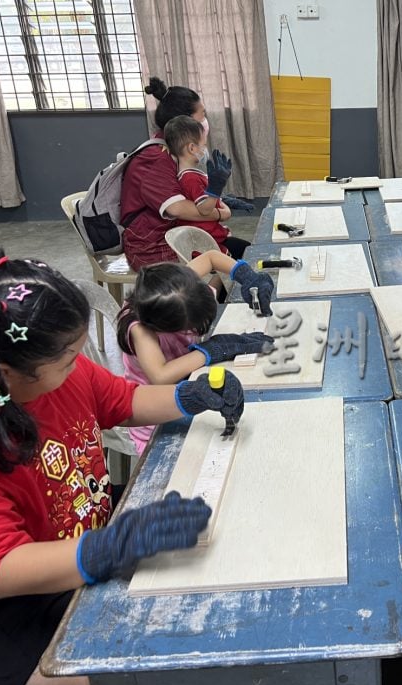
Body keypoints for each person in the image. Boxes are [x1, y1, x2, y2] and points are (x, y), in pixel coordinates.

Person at [0, 250, 247, 685]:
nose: (78, 365)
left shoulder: (50, 372)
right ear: (4, 375)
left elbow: (123, 401)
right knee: (96, 675)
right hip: (8, 599)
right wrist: (106, 550)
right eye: (67, 360)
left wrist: (189, 398)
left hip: (82, 527)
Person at [118, 250, 273, 454]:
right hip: (160, 416)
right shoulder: (140, 329)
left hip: (192, 383)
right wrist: (214, 349)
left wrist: (245, 275)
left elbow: (210, 257)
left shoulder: (177, 288)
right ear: (165, 327)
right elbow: (161, 376)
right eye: (191, 328)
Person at [120, 77, 253, 271]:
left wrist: (220, 200)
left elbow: (188, 193)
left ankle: (223, 292)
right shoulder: (156, 158)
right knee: (230, 261)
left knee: (244, 251)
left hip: (176, 231)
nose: (205, 121)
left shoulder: (171, 148)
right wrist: (221, 213)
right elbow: (178, 209)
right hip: (152, 247)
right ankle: (218, 296)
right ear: (186, 122)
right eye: (202, 115)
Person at [163, 115, 242, 256]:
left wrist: (222, 200)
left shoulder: (191, 174)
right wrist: (215, 190)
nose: (205, 149)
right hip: (207, 243)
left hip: (210, 236)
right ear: (192, 148)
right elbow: (204, 210)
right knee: (245, 252)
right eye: (204, 145)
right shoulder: (190, 178)